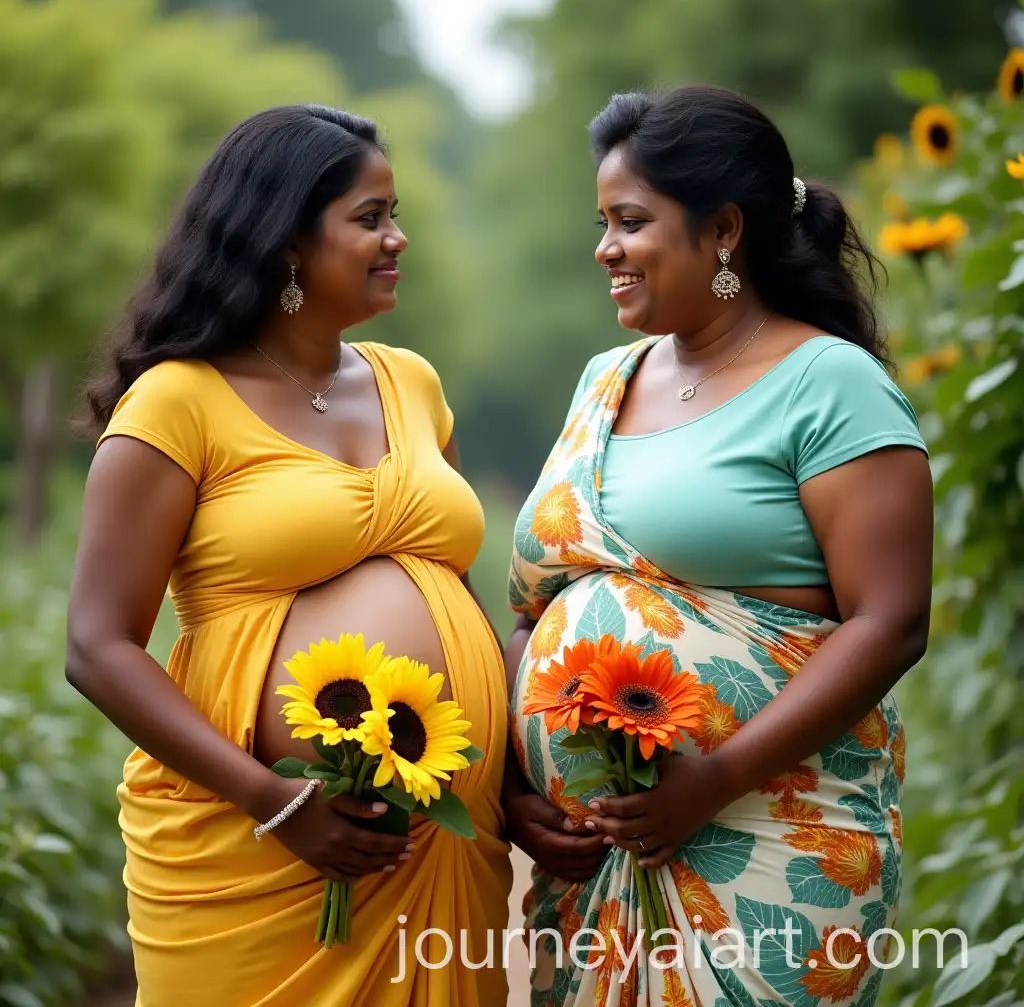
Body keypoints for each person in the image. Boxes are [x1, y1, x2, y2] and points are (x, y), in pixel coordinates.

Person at [66, 104, 511, 1007]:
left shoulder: (412, 383)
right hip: (257, 846)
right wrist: (275, 800)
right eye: (370, 217)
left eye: (394, 214)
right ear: (288, 243)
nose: (398, 238)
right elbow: (97, 646)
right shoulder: (178, 402)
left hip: (440, 847)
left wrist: (523, 782)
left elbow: (457, 596)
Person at [503, 85, 932, 1006]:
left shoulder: (830, 383)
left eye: (630, 222)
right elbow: (540, 609)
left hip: (772, 833)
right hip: (601, 860)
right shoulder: (605, 379)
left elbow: (890, 621)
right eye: (602, 223)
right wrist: (516, 790)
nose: (605, 248)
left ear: (725, 229)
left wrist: (712, 780)